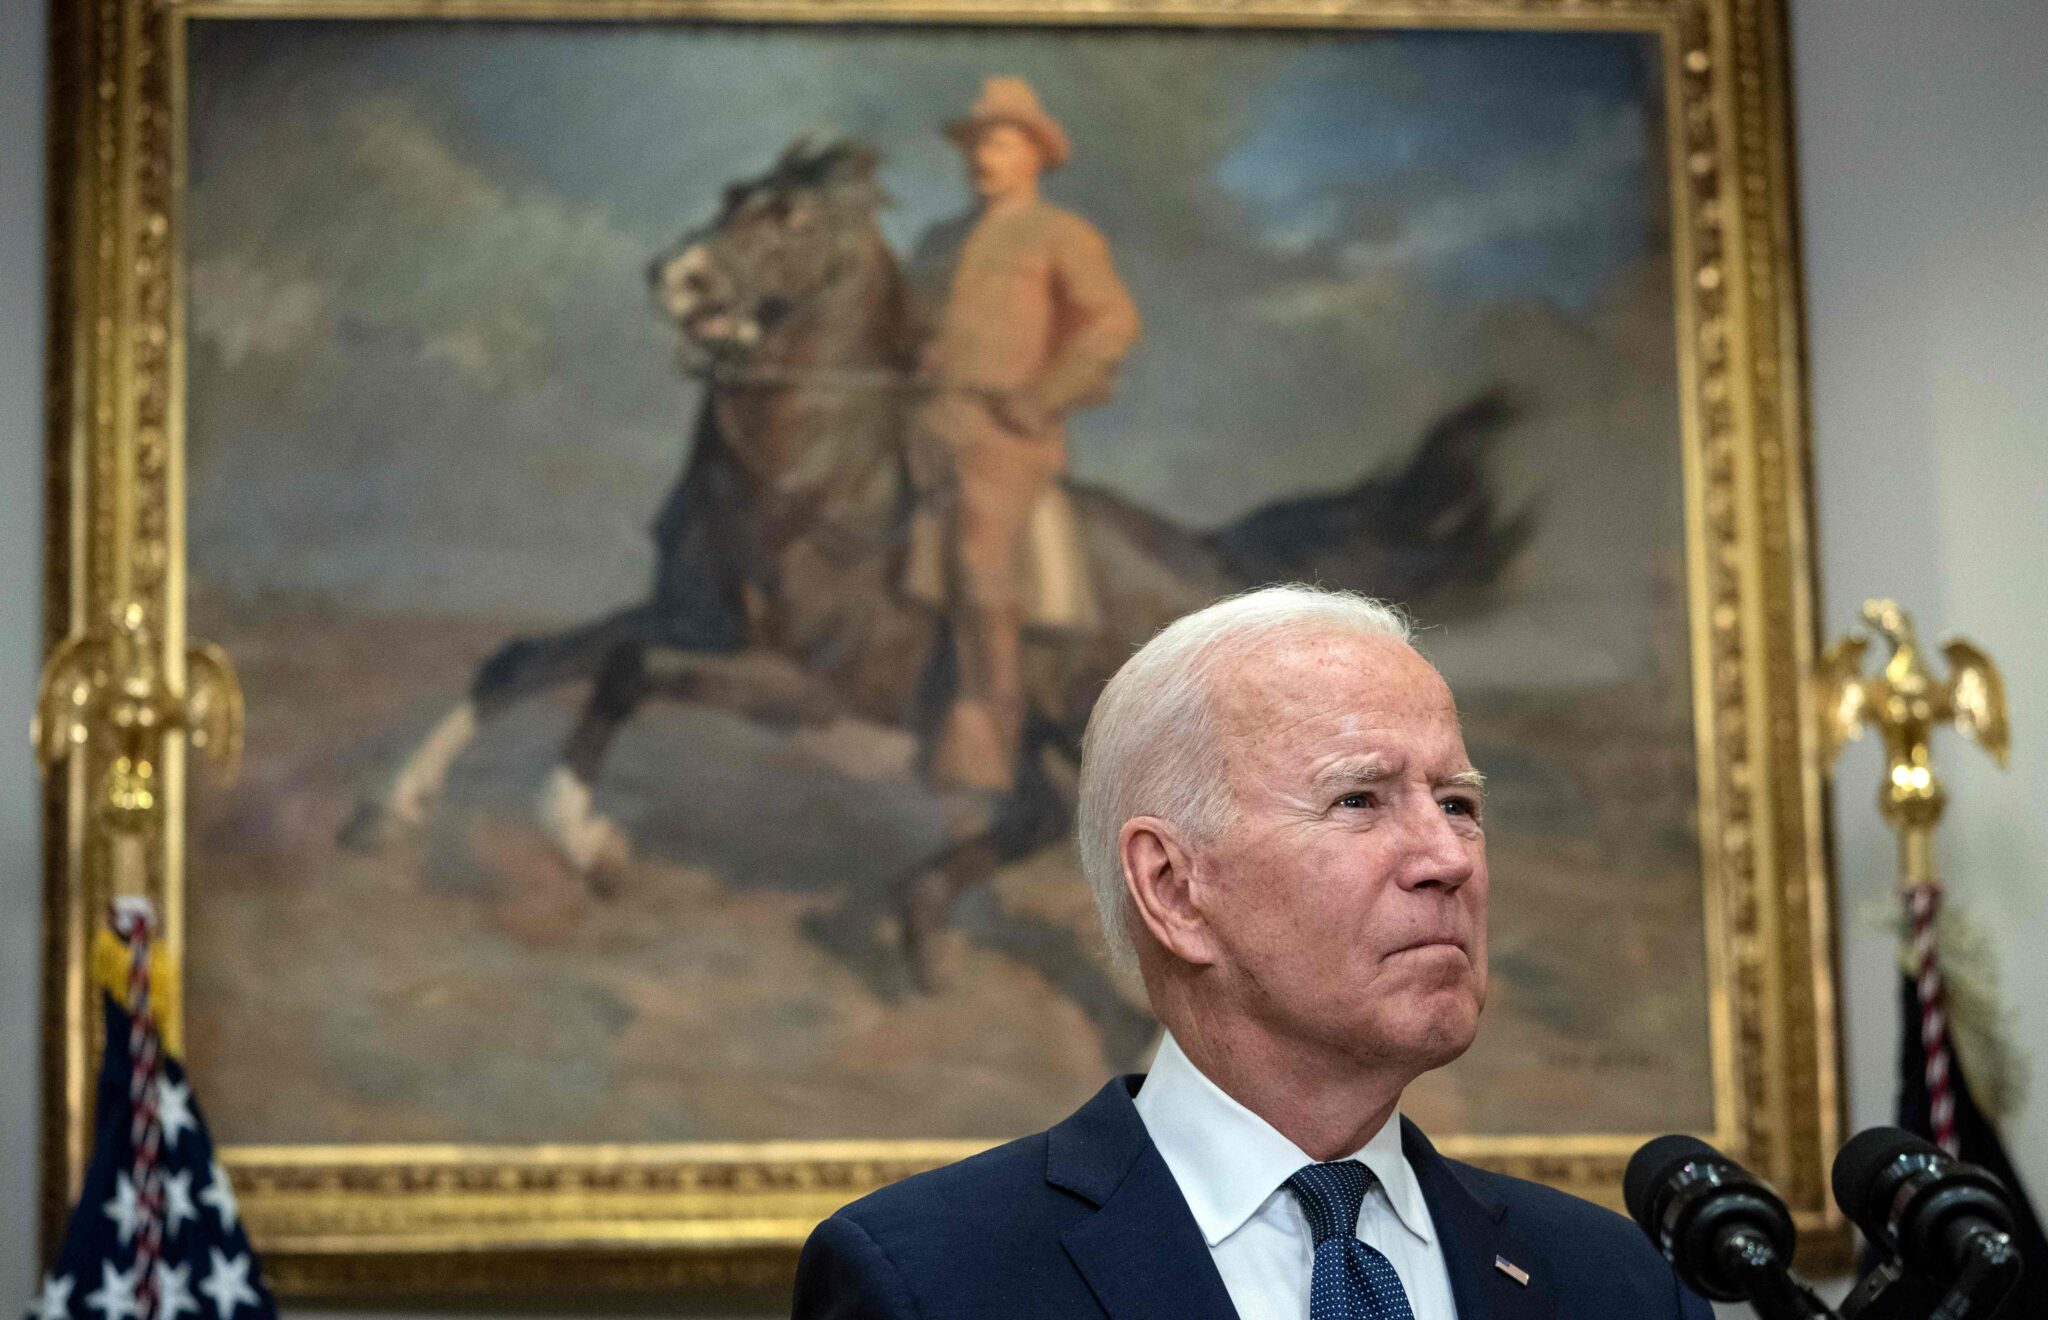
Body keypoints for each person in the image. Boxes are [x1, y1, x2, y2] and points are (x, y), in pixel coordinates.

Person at [792, 584, 1712, 1320]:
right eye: (1359, 800)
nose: (1446, 858)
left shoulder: (1622, 1282)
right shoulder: (930, 1281)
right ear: (1173, 889)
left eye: (1459, 803)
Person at [901, 76, 1141, 794]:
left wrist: (1046, 396)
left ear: (1036, 153)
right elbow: (908, 327)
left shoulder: (1061, 236)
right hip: (921, 425)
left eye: (1000, 141)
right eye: (976, 142)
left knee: (980, 559)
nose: (983, 155)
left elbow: (1112, 323)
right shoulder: (937, 240)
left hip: (1004, 438)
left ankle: (988, 734)